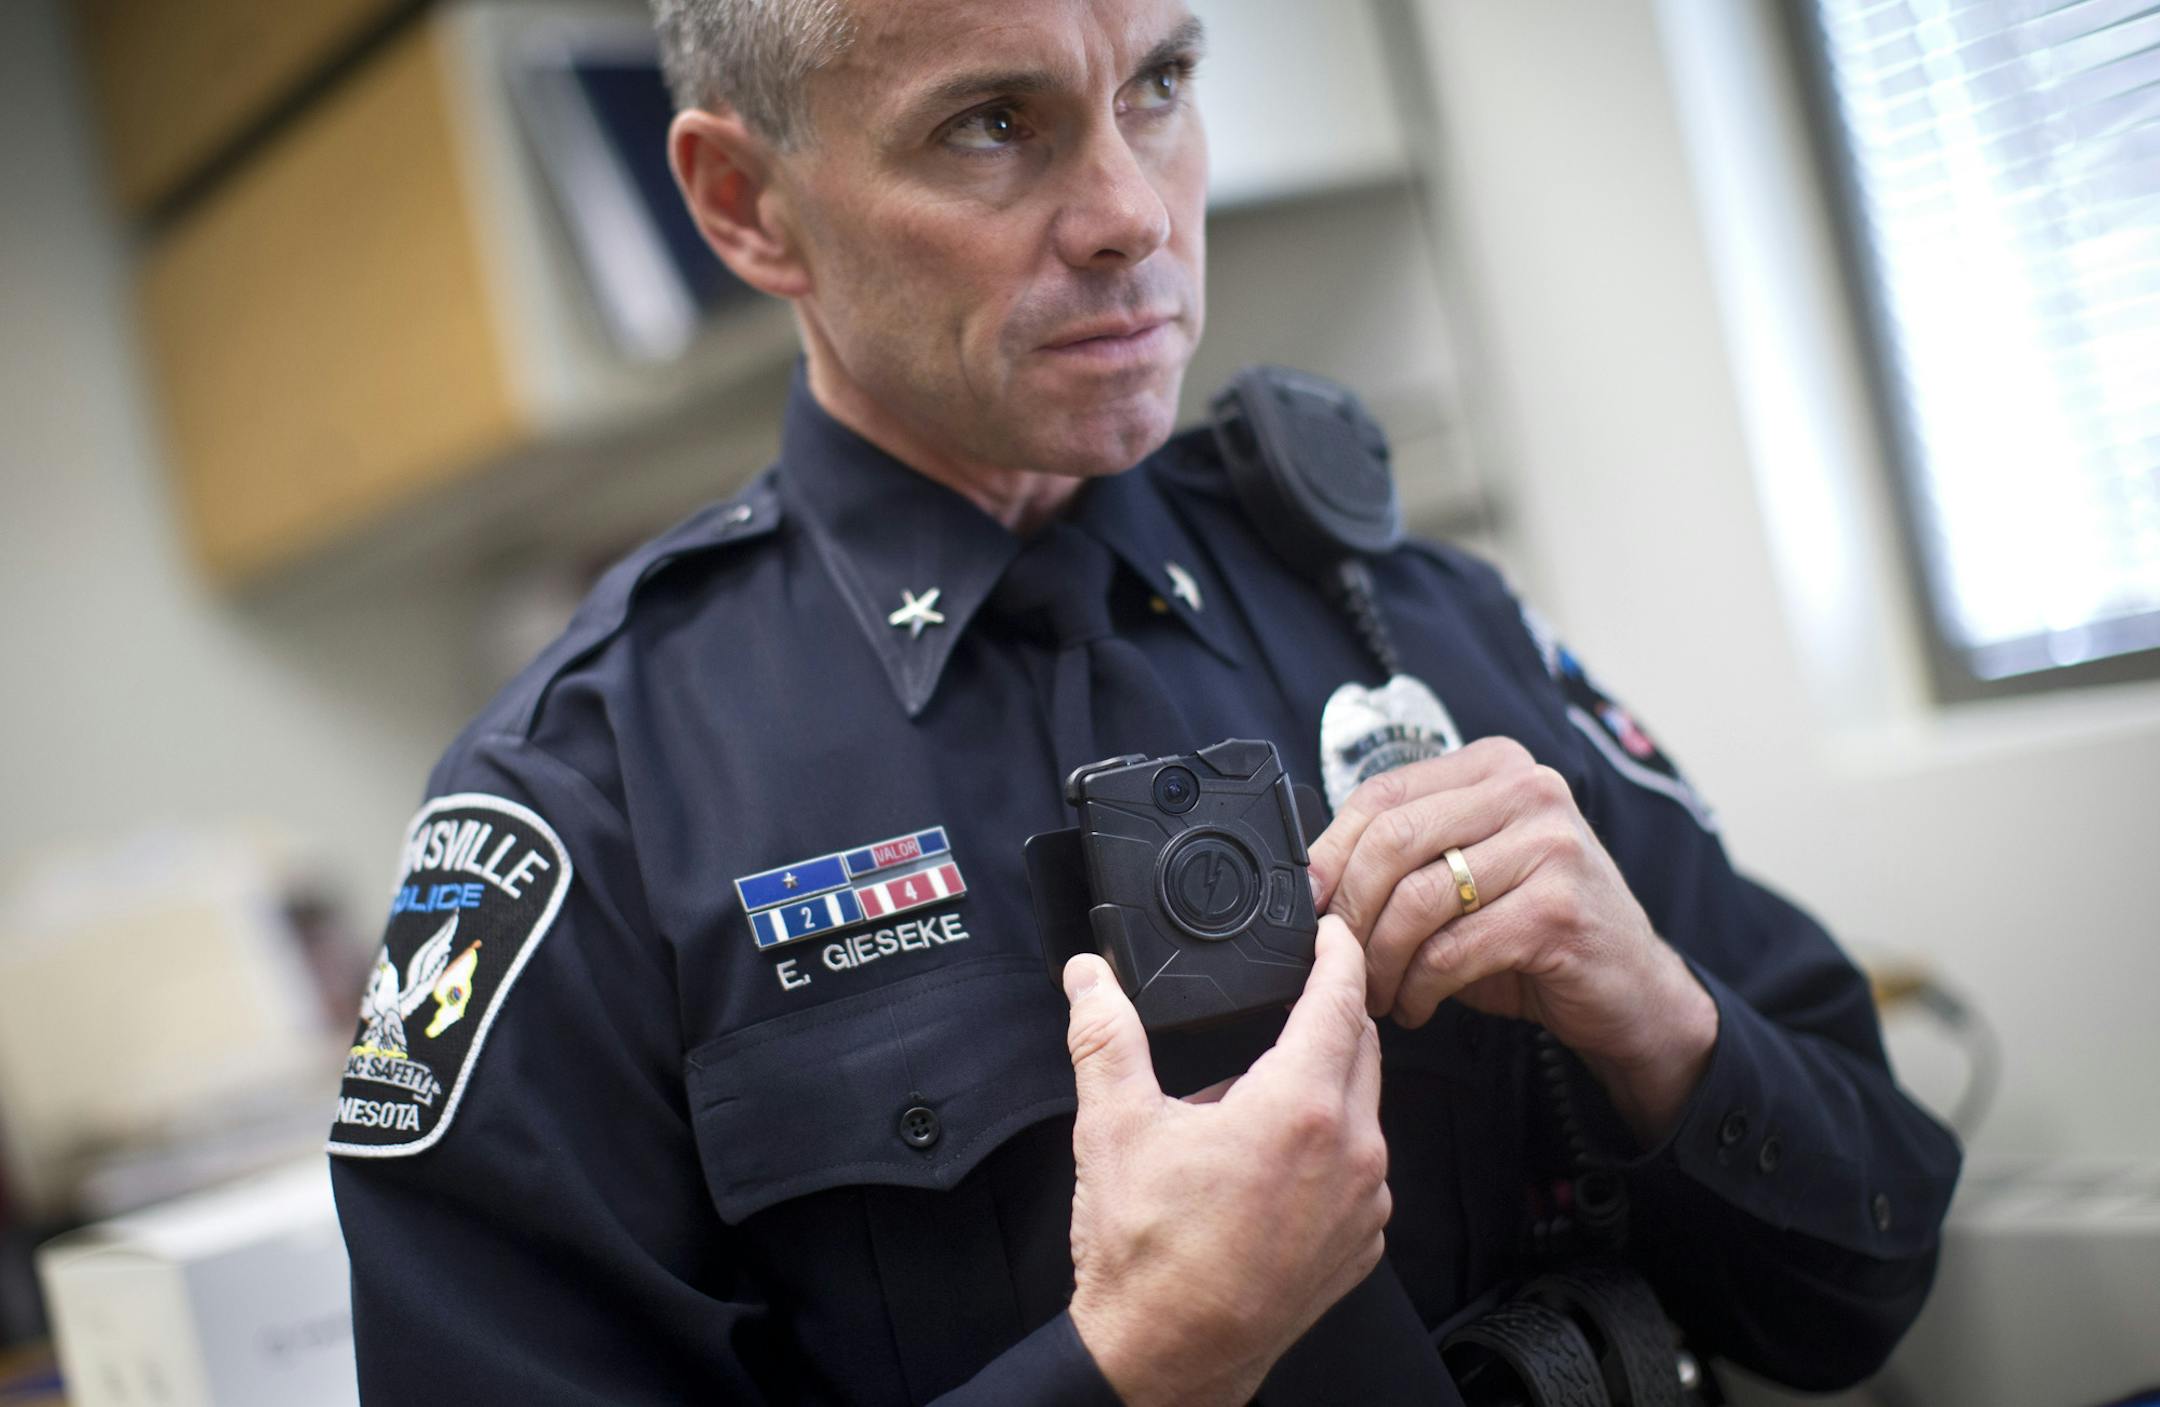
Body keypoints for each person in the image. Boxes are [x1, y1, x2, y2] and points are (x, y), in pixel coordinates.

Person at [326, 0, 1963, 1402]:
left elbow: (1865, 1278)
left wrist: (1658, 1027)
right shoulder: (589, 798)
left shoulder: (1419, 622)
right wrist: (1137, 1367)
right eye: (990, 124)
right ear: (748, 204)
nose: (1134, 211)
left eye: (1160, 86)